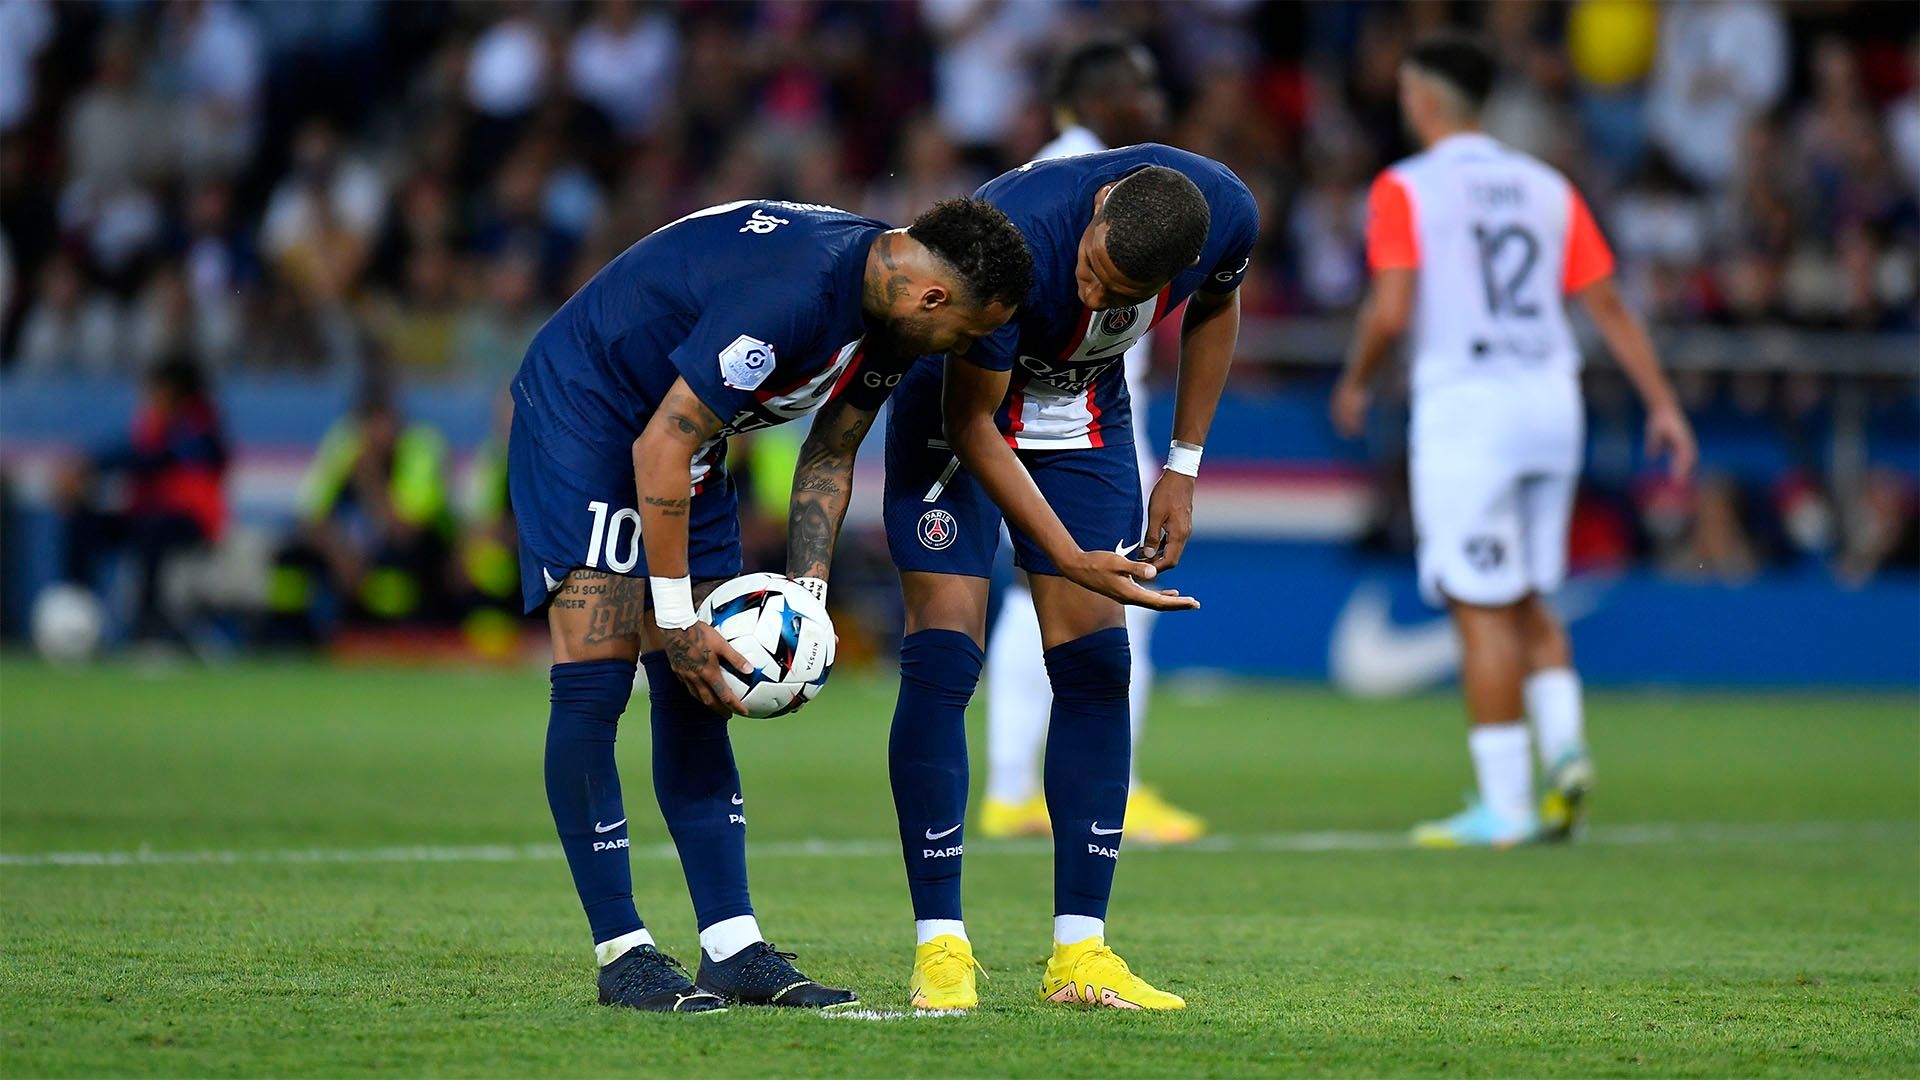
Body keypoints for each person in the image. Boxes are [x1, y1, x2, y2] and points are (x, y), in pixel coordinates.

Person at [510, 197, 1030, 1013]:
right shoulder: (794, 295)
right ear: (933, 298)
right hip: (591, 414)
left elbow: (830, 449)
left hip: (687, 438)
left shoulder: (888, 314)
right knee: (597, 677)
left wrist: (808, 598)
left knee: (703, 685)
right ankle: (623, 951)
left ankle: (731, 945)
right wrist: (677, 618)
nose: (964, 350)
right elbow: (658, 444)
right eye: (966, 332)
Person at [882, 147, 1258, 1010]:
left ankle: (1080, 953)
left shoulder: (1226, 217)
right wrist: (1067, 552)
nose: (1094, 297)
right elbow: (974, 422)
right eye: (1090, 272)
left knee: (1096, 668)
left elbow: (1219, 305)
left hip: (1081, 414)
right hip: (959, 402)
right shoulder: (1020, 233)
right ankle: (940, 949)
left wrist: (1184, 464)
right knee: (944, 656)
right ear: (1095, 214)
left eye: (1121, 295)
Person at [1332, 33, 1697, 849]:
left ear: (1423, 101)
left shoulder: (1405, 187)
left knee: (1477, 604)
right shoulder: (1546, 185)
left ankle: (1504, 804)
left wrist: (1356, 378)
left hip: (1470, 407)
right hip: (1551, 403)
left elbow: (1390, 312)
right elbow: (1608, 308)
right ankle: (1565, 750)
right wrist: (1663, 406)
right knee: (1529, 590)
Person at [980, 36, 1208, 846]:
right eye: (1143, 90)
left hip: (1086, 407)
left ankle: (1012, 783)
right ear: (1107, 100)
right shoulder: (1092, 180)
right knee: (1118, 599)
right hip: (1078, 414)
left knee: (1035, 594)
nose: (1156, 106)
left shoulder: (1079, 172)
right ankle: (1109, 783)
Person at [55, 358, 228, 645]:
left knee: (153, 529)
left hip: (191, 522)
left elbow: (153, 458)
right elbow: (133, 451)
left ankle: (148, 623)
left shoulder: (202, 429)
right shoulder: (152, 424)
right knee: (84, 520)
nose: (149, 397)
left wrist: (90, 467)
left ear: (175, 392)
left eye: (156, 389)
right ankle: (76, 605)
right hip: (146, 514)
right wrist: (81, 472)